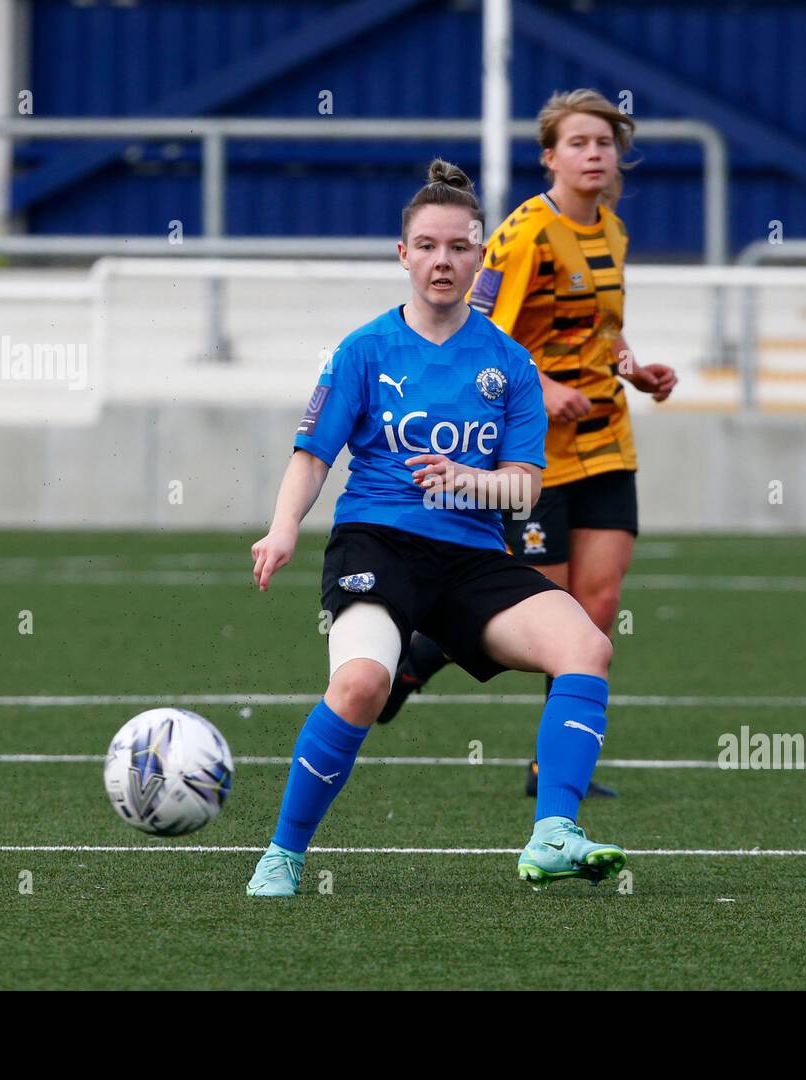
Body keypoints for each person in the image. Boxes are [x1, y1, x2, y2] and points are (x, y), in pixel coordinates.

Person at [245, 158, 627, 897]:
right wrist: (283, 526)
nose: (442, 261)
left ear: (479, 255)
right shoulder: (363, 350)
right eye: (426, 246)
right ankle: (283, 854)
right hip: (378, 545)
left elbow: (522, 490)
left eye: (457, 247)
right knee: (360, 685)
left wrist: (468, 482)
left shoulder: (508, 364)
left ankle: (553, 833)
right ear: (403, 255)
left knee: (587, 646)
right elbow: (311, 455)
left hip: (474, 558)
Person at [377, 90, 677, 802]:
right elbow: (475, 331)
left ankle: (553, 767)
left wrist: (634, 369)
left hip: (606, 439)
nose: (594, 154)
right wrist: (537, 386)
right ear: (550, 156)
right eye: (578, 143)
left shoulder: (613, 231)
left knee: (596, 606)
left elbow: (602, 333)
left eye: (604, 143)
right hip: (532, 452)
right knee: (542, 606)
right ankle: (419, 657)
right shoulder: (521, 235)